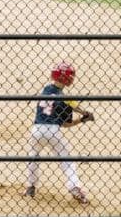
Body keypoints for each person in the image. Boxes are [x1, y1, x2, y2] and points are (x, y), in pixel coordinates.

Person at [23, 61, 94, 204]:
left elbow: (68, 103)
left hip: (36, 130)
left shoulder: (46, 90)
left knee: (33, 158)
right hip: (53, 131)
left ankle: (31, 187)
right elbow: (66, 121)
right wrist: (83, 116)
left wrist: (79, 113)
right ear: (65, 78)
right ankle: (74, 187)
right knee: (67, 160)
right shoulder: (64, 99)